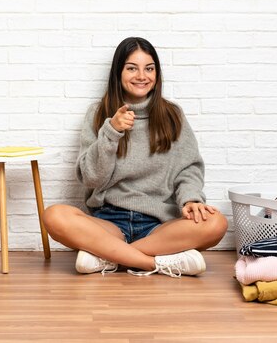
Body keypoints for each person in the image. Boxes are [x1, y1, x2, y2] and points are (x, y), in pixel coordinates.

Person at [42, 37, 228, 277]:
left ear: (157, 74)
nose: (142, 76)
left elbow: (188, 168)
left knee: (217, 223)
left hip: (159, 226)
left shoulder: (172, 114)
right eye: (132, 68)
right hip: (109, 222)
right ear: (118, 73)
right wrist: (112, 132)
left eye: (149, 68)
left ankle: (108, 257)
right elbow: (91, 178)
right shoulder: (98, 114)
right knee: (54, 215)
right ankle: (156, 263)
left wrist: (190, 199)